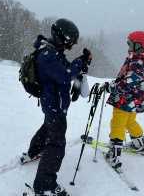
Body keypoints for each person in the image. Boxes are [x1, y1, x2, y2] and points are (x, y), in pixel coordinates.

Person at [21, 18, 92, 196]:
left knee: (48, 127)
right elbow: (65, 75)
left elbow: (66, 68)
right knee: (56, 143)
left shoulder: (53, 51)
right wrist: (79, 64)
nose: (70, 46)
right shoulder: (48, 55)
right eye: (70, 42)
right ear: (61, 37)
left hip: (53, 104)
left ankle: (34, 151)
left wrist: (80, 61)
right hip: (54, 104)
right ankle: (45, 186)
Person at [102, 31, 144, 169]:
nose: (128, 46)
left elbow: (131, 80)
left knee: (117, 124)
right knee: (130, 121)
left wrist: (113, 86)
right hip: (133, 100)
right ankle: (140, 143)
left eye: (131, 44)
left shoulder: (139, 61)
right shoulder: (136, 57)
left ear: (139, 46)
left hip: (125, 99)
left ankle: (114, 154)